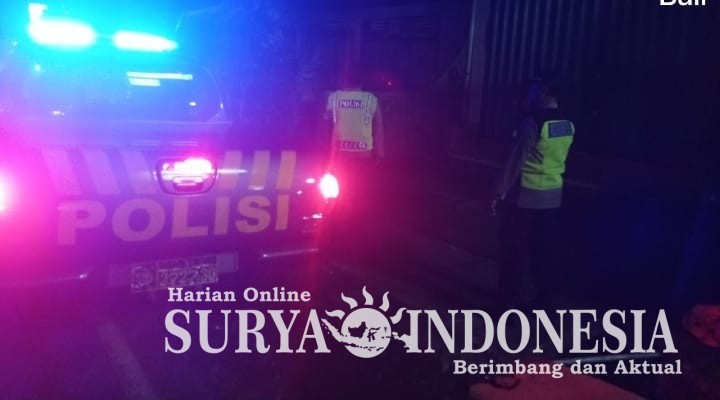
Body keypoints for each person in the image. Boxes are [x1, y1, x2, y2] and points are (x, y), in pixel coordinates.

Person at [491, 73, 575, 311]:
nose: (531, 92)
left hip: (525, 197)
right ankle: (544, 302)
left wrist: (498, 192)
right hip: (553, 197)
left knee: (513, 254)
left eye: (535, 88)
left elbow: (515, 161)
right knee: (543, 252)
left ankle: (506, 307)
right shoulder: (567, 124)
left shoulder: (533, 122)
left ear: (544, 91)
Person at [323, 70, 385, 210]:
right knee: (361, 195)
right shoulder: (371, 99)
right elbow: (378, 129)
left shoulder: (334, 98)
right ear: (362, 82)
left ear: (344, 81)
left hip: (340, 156)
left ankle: (342, 215)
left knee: (341, 196)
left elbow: (325, 125)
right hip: (364, 156)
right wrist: (379, 153)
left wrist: (325, 152)